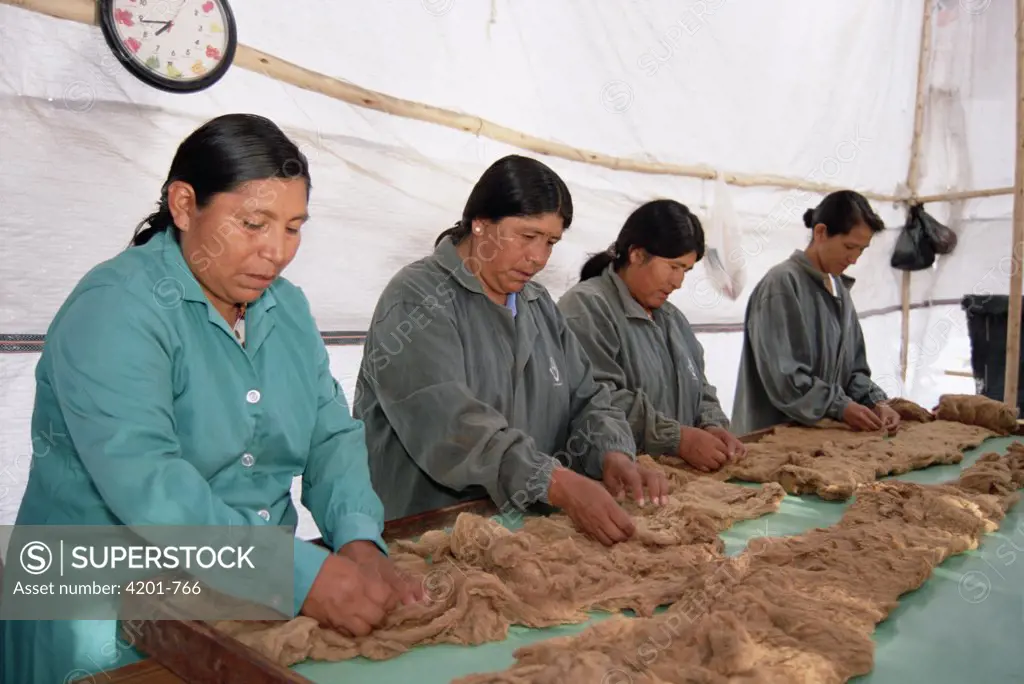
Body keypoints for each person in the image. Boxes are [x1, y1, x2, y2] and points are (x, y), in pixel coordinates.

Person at [0, 114, 418, 684]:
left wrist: (358, 540)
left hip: (241, 599)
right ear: (183, 204)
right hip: (103, 611)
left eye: (294, 228)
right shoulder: (116, 309)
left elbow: (328, 435)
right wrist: (299, 576)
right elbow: (153, 487)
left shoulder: (286, 308)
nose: (276, 251)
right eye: (253, 223)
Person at [353, 155, 669, 547]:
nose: (539, 257)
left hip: (519, 537)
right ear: (480, 224)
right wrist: (555, 482)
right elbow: (451, 425)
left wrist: (612, 452)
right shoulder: (417, 300)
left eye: (550, 242)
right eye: (527, 236)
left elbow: (588, 398)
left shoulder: (538, 306)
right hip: (426, 540)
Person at [557, 199, 746, 474]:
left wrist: (712, 424)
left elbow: (701, 389)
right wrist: (676, 438)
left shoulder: (673, 320)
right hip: (615, 484)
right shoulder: (587, 308)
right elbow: (598, 399)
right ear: (636, 254)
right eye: (673, 266)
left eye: (686, 270)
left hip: (676, 483)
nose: (678, 282)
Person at [731, 190, 901, 435]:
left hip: (818, 439)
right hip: (771, 441)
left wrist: (877, 402)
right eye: (849, 246)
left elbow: (853, 370)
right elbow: (785, 379)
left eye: (861, 250)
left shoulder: (839, 290)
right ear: (821, 232)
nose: (853, 259)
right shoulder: (781, 285)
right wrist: (840, 407)